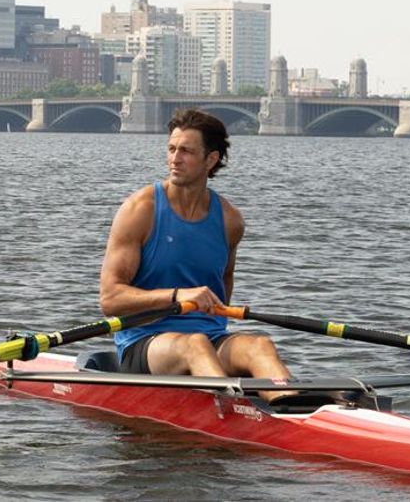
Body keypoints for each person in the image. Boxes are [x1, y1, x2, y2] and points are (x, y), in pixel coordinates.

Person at [99, 108, 293, 391]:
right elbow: (110, 299)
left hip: (210, 337)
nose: (175, 159)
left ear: (210, 159)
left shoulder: (230, 221)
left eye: (186, 151)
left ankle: (295, 405)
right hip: (145, 342)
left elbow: (223, 285)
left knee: (259, 345)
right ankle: (234, 411)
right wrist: (177, 296)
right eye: (171, 149)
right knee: (195, 345)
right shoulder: (140, 210)